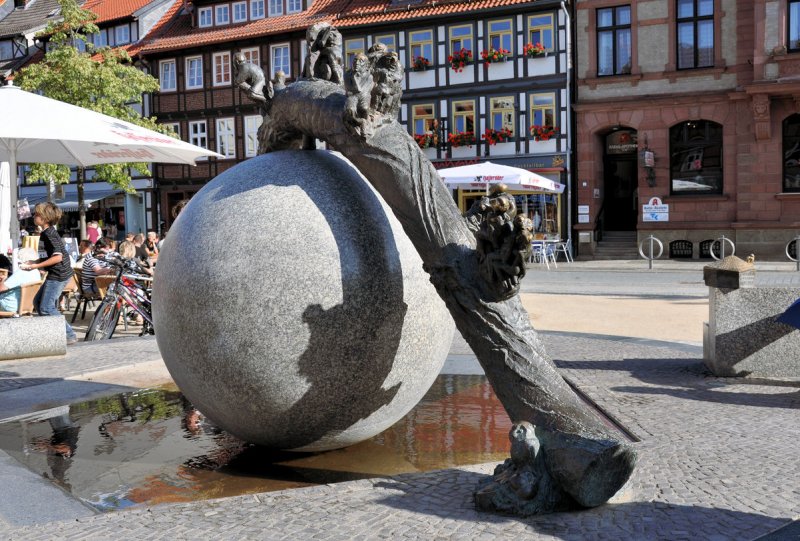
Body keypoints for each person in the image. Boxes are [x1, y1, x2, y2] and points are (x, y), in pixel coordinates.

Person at [19, 203, 77, 344]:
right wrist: (35, 261)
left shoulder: (49, 234)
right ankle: (53, 331)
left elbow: (58, 257)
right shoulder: (47, 232)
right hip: (58, 272)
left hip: (58, 274)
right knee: (38, 303)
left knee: (46, 307)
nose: (34, 216)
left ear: (45, 218)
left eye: (37, 214)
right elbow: (50, 255)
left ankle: (69, 334)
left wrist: (36, 266)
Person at [0, 247, 40, 313]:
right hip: (24, 305)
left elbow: (1, 288)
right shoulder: (36, 272)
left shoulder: (22, 272)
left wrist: (3, 280)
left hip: (9, 305)